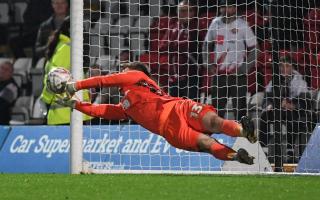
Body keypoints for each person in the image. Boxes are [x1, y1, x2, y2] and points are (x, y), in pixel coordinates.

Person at [55, 62, 257, 164]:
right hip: (170, 129)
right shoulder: (127, 107)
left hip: (178, 107)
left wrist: (76, 85)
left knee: (213, 121)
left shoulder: (135, 75)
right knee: (207, 143)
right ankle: (237, 156)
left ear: (133, 70)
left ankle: (243, 131)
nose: (121, 73)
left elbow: (104, 80)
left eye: (123, 70)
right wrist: (76, 105)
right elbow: (103, 111)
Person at [202, 0, 258, 121]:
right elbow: (206, 44)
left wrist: (244, 68)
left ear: (235, 8)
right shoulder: (215, 23)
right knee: (216, 110)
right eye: (223, 7)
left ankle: (240, 136)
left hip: (237, 75)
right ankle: (216, 137)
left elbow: (255, 49)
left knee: (240, 109)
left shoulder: (242, 24)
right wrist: (208, 63)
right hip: (219, 75)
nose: (226, 10)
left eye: (229, 7)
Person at [259, 55, 313, 163]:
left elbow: (305, 103)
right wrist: (269, 105)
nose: (284, 69)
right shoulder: (274, 80)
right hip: (277, 110)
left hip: (293, 112)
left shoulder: (300, 83)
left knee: (289, 116)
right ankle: (263, 148)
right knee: (264, 116)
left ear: (292, 68)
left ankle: (290, 150)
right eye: (281, 66)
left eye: (287, 66)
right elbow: (267, 98)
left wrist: (292, 106)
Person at [40, 17, 91, 125]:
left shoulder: (61, 46)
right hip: (68, 114)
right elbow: (55, 79)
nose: (84, 32)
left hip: (68, 113)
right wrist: (45, 99)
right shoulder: (67, 49)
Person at [159, 0, 201, 100]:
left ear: (193, 12)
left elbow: (190, 45)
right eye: (181, 11)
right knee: (175, 107)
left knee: (192, 108)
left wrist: (174, 44)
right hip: (174, 76)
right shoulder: (173, 27)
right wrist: (176, 44)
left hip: (191, 75)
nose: (183, 14)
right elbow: (161, 46)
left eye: (187, 11)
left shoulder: (197, 27)